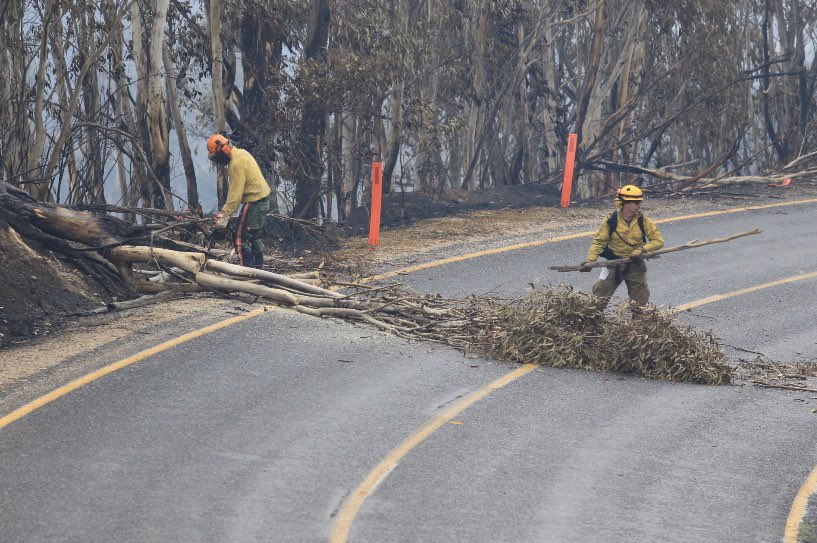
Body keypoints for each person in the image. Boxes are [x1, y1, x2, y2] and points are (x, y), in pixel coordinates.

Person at [580, 185, 664, 312]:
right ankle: (591, 324)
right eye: (636, 202)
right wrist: (590, 260)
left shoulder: (643, 221)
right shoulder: (611, 221)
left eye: (639, 202)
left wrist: (641, 250)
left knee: (640, 305)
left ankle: (638, 324)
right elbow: (599, 243)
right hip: (613, 265)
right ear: (625, 204)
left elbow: (658, 241)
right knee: (596, 302)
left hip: (635, 266)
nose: (639, 205)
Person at [208, 134, 271, 269]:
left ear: (222, 150)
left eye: (216, 157)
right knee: (254, 237)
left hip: (253, 204)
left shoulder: (236, 164)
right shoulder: (241, 152)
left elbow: (235, 196)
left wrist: (225, 216)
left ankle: (247, 272)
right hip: (262, 203)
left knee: (240, 239)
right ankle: (259, 270)